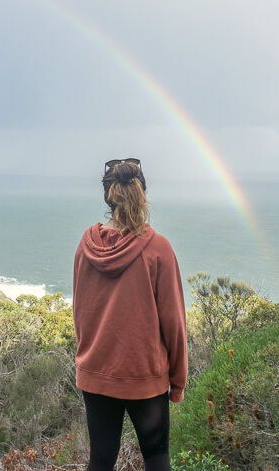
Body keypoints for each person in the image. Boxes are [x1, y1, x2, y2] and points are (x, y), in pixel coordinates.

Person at [72, 158, 188, 471]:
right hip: (144, 377)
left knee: (101, 461)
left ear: (107, 196)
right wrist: (178, 381)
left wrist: (89, 358)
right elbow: (174, 322)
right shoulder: (157, 249)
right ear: (143, 193)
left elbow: (80, 312)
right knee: (157, 460)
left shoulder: (86, 245)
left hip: (96, 372)